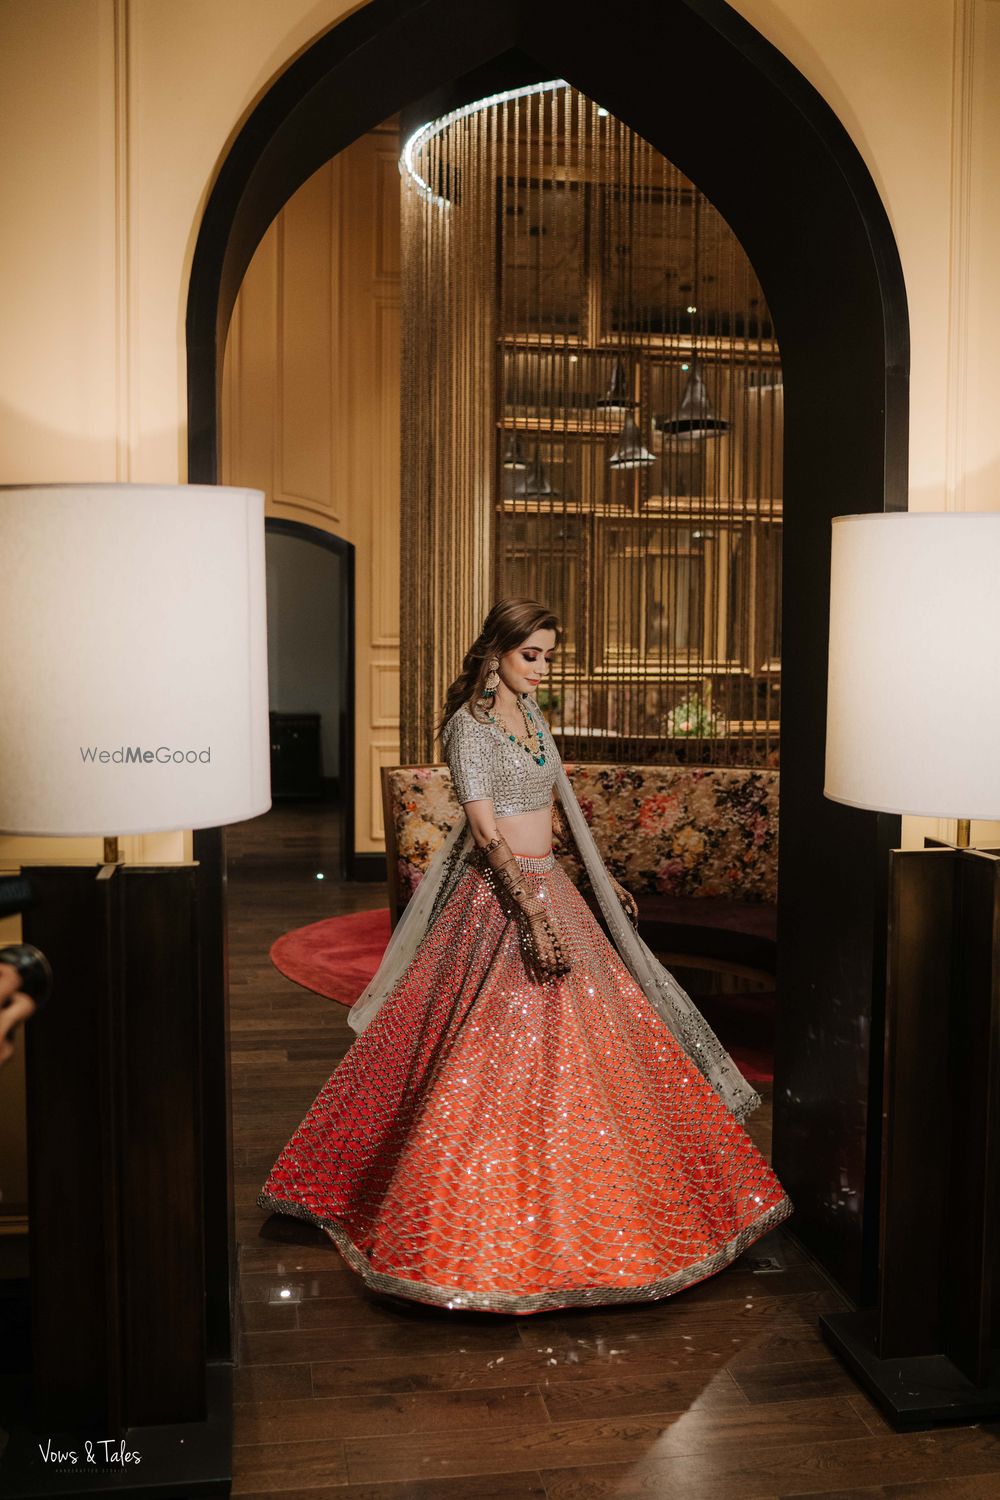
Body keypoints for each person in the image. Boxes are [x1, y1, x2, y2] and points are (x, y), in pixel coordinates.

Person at [257, 598, 793, 1314]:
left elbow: (549, 813)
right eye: (530, 655)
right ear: (495, 652)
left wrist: (597, 881)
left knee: (608, 1048)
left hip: (551, 887)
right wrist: (534, 917)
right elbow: (485, 833)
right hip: (499, 901)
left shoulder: (533, 720)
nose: (542, 669)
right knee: (470, 1051)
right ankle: (452, 1228)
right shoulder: (469, 728)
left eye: (547, 655)